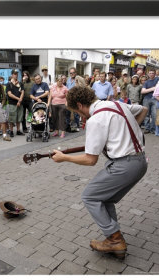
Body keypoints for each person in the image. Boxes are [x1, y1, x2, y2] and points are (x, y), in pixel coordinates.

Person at [52, 86, 148, 259]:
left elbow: (90, 160)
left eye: (77, 112)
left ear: (80, 105)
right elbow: (143, 109)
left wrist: (64, 158)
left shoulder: (95, 120)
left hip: (124, 165)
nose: (80, 117)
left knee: (89, 196)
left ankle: (115, 239)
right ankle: (113, 239)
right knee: (105, 199)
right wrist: (129, 133)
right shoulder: (117, 105)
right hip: (140, 162)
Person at [141, 68, 159, 134]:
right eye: (150, 73)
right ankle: (147, 128)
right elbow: (143, 91)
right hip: (146, 99)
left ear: (155, 74)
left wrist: (148, 90)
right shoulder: (146, 82)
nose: (151, 74)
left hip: (155, 99)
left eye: (153, 73)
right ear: (148, 74)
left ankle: (153, 129)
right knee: (146, 114)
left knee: (154, 115)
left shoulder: (158, 79)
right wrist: (153, 88)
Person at [6, 69, 25, 136]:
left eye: (17, 74)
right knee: (11, 118)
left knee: (19, 118)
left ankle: (18, 130)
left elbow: (22, 92)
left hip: (20, 103)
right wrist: (18, 99)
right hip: (12, 103)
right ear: (12, 75)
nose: (16, 75)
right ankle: (11, 131)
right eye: (14, 74)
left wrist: (20, 100)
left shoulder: (20, 83)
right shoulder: (9, 84)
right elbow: (9, 94)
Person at [66, 67, 81, 131]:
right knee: (68, 112)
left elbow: (80, 88)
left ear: (75, 73)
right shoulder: (68, 79)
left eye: (73, 73)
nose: (72, 74)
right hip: (69, 98)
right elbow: (67, 88)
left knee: (76, 113)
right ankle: (68, 125)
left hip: (75, 98)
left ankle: (77, 125)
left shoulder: (78, 79)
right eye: (70, 73)